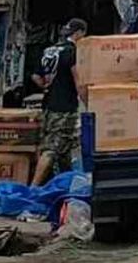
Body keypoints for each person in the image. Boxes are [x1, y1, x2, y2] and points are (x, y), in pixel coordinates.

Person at [31, 18, 88, 185]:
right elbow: (78, 81)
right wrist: (89, 104)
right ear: (79, 33)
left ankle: (66, 184)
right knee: (52, 148)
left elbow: (36, 76)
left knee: (64, 148)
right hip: (64, 107)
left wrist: (48, 86)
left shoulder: (49, 50)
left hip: (48, 105)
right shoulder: (72, 52)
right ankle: (34, 187)